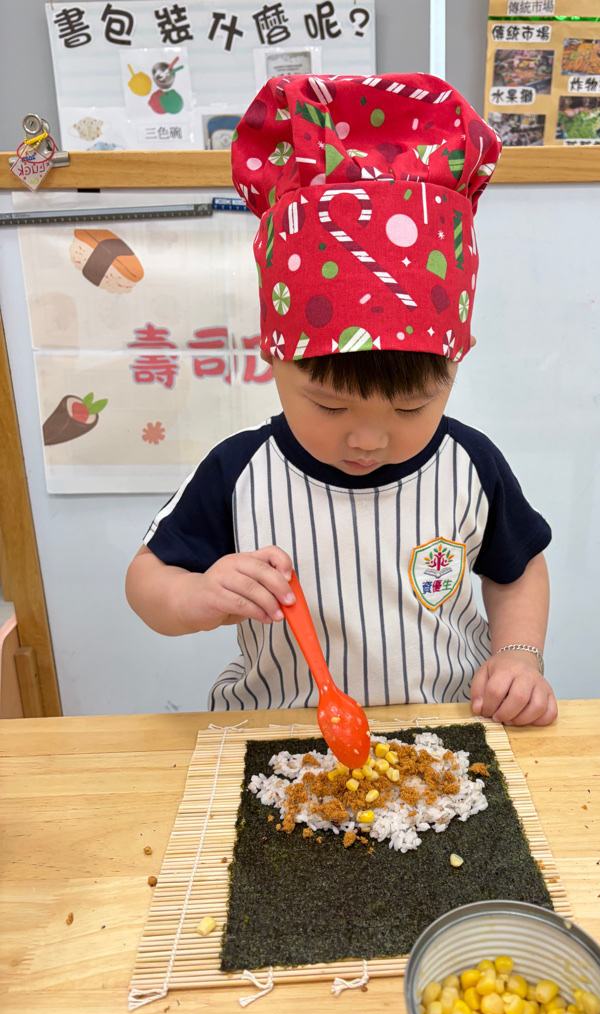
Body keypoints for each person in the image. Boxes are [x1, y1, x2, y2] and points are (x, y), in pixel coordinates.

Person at [125, 72, 556, 728]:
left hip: (448, 726)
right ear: (273, 356)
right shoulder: (241, 471)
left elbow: (517, 569)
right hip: (277, 730)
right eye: (329, 407)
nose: (367, 438)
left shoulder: (470, 465)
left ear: (455, 365)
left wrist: (519, 656)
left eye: (410, 409)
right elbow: (147, 579)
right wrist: (197, 596)